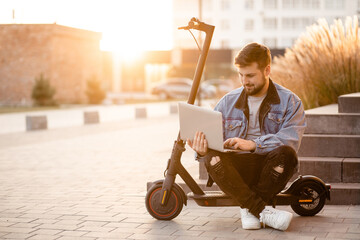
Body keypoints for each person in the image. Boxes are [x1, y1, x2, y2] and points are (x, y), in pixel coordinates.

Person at [187, 43, 306, 231]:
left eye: (250, 75)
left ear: (267, 70)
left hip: (270, 170)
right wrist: (202, 150)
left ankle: (249, 208)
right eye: (240, 75)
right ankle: (261, 211)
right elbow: (214, 142)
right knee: (211, 157)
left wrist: (252, 144)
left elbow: (290, 139)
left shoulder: (290, 101)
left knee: (287, 153)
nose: (244, 81)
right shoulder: (227, 102)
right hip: (236, 173)